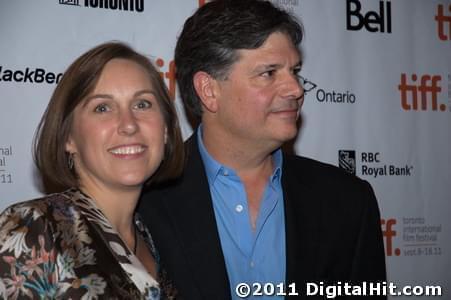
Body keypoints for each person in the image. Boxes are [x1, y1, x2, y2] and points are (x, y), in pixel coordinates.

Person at [139, 0, 387, 299]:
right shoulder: (144, 200)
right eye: (269, 73)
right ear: (209, 90)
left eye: (294, 71)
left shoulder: (347, 200)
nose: (296, 89)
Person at [0, 42, 184, 299]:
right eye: (102, 108)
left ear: (165, 130)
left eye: (142, 104)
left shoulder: (156, 239)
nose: (129, 125)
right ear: (69, 138)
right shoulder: (34, 230)